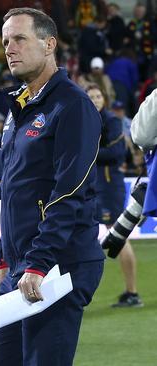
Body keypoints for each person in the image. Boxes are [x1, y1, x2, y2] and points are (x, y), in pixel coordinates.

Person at [0, 8, 105, 365]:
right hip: (21, 267)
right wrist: (4, 256)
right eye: (6, 41)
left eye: (20, 39)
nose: (10, 48)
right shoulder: (18, 109)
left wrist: (38, 263)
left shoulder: (73, 106)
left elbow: (68, 191)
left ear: (49, 44)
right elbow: (12, 188)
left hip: (57, 264)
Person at [87, 85, 141, 308]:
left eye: (99, 96)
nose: (96, 99)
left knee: (118, 236)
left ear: (104, 99)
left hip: (109, 186)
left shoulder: (111, 121)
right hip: (96, 185)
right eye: (91, 96)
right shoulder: (87, 119)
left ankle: (132, 293)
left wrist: (85, 152)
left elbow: (117, 154)